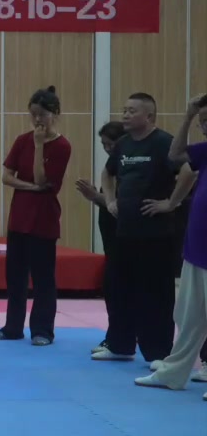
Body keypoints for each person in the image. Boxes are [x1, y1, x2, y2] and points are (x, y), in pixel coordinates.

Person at [96, 93, 198, 362]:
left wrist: (171, 202)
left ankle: (158, 352)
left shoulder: (163, 142)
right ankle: (120, 345)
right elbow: (107, 173)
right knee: (120, 290)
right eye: (124, 110)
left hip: (156, 233)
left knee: (156, 294)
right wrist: (110, 200)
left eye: (132, 111)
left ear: (149, 116)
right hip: (125, 231)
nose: (125, 115)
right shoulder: (123, 144)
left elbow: (189, 170)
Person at [136, 94, 207, 396]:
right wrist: (189, 115)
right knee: (189, 318)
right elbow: (175, 155)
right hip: (196, 248)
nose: (205, 127)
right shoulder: (204, 151)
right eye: (203, 123)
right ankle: (173, 374)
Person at [0, 86, 72, 346]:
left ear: (55, 114)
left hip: (44, 219)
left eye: (43, 115)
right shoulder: (21, 140)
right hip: (19, 217)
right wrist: (30, 187)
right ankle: (12, 327)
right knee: (15, 276)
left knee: (43, 277)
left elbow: (41, 179)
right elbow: (6, 177)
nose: (37, 120)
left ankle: (42, 330)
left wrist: (38, 146)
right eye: (33, 114)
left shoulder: (62, 146)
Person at [75, 121, 126, 355]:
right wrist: (95, 197)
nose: (107, 149)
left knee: (118, 289)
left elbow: (123, 206)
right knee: (113, 289)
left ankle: (120, 338)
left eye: (110, 144)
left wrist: (96, 196)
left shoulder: (128, 168)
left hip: (125, 240)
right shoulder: (112, 167)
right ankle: (117, 337)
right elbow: (110, 205)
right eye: (104, 144)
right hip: (111, 239)